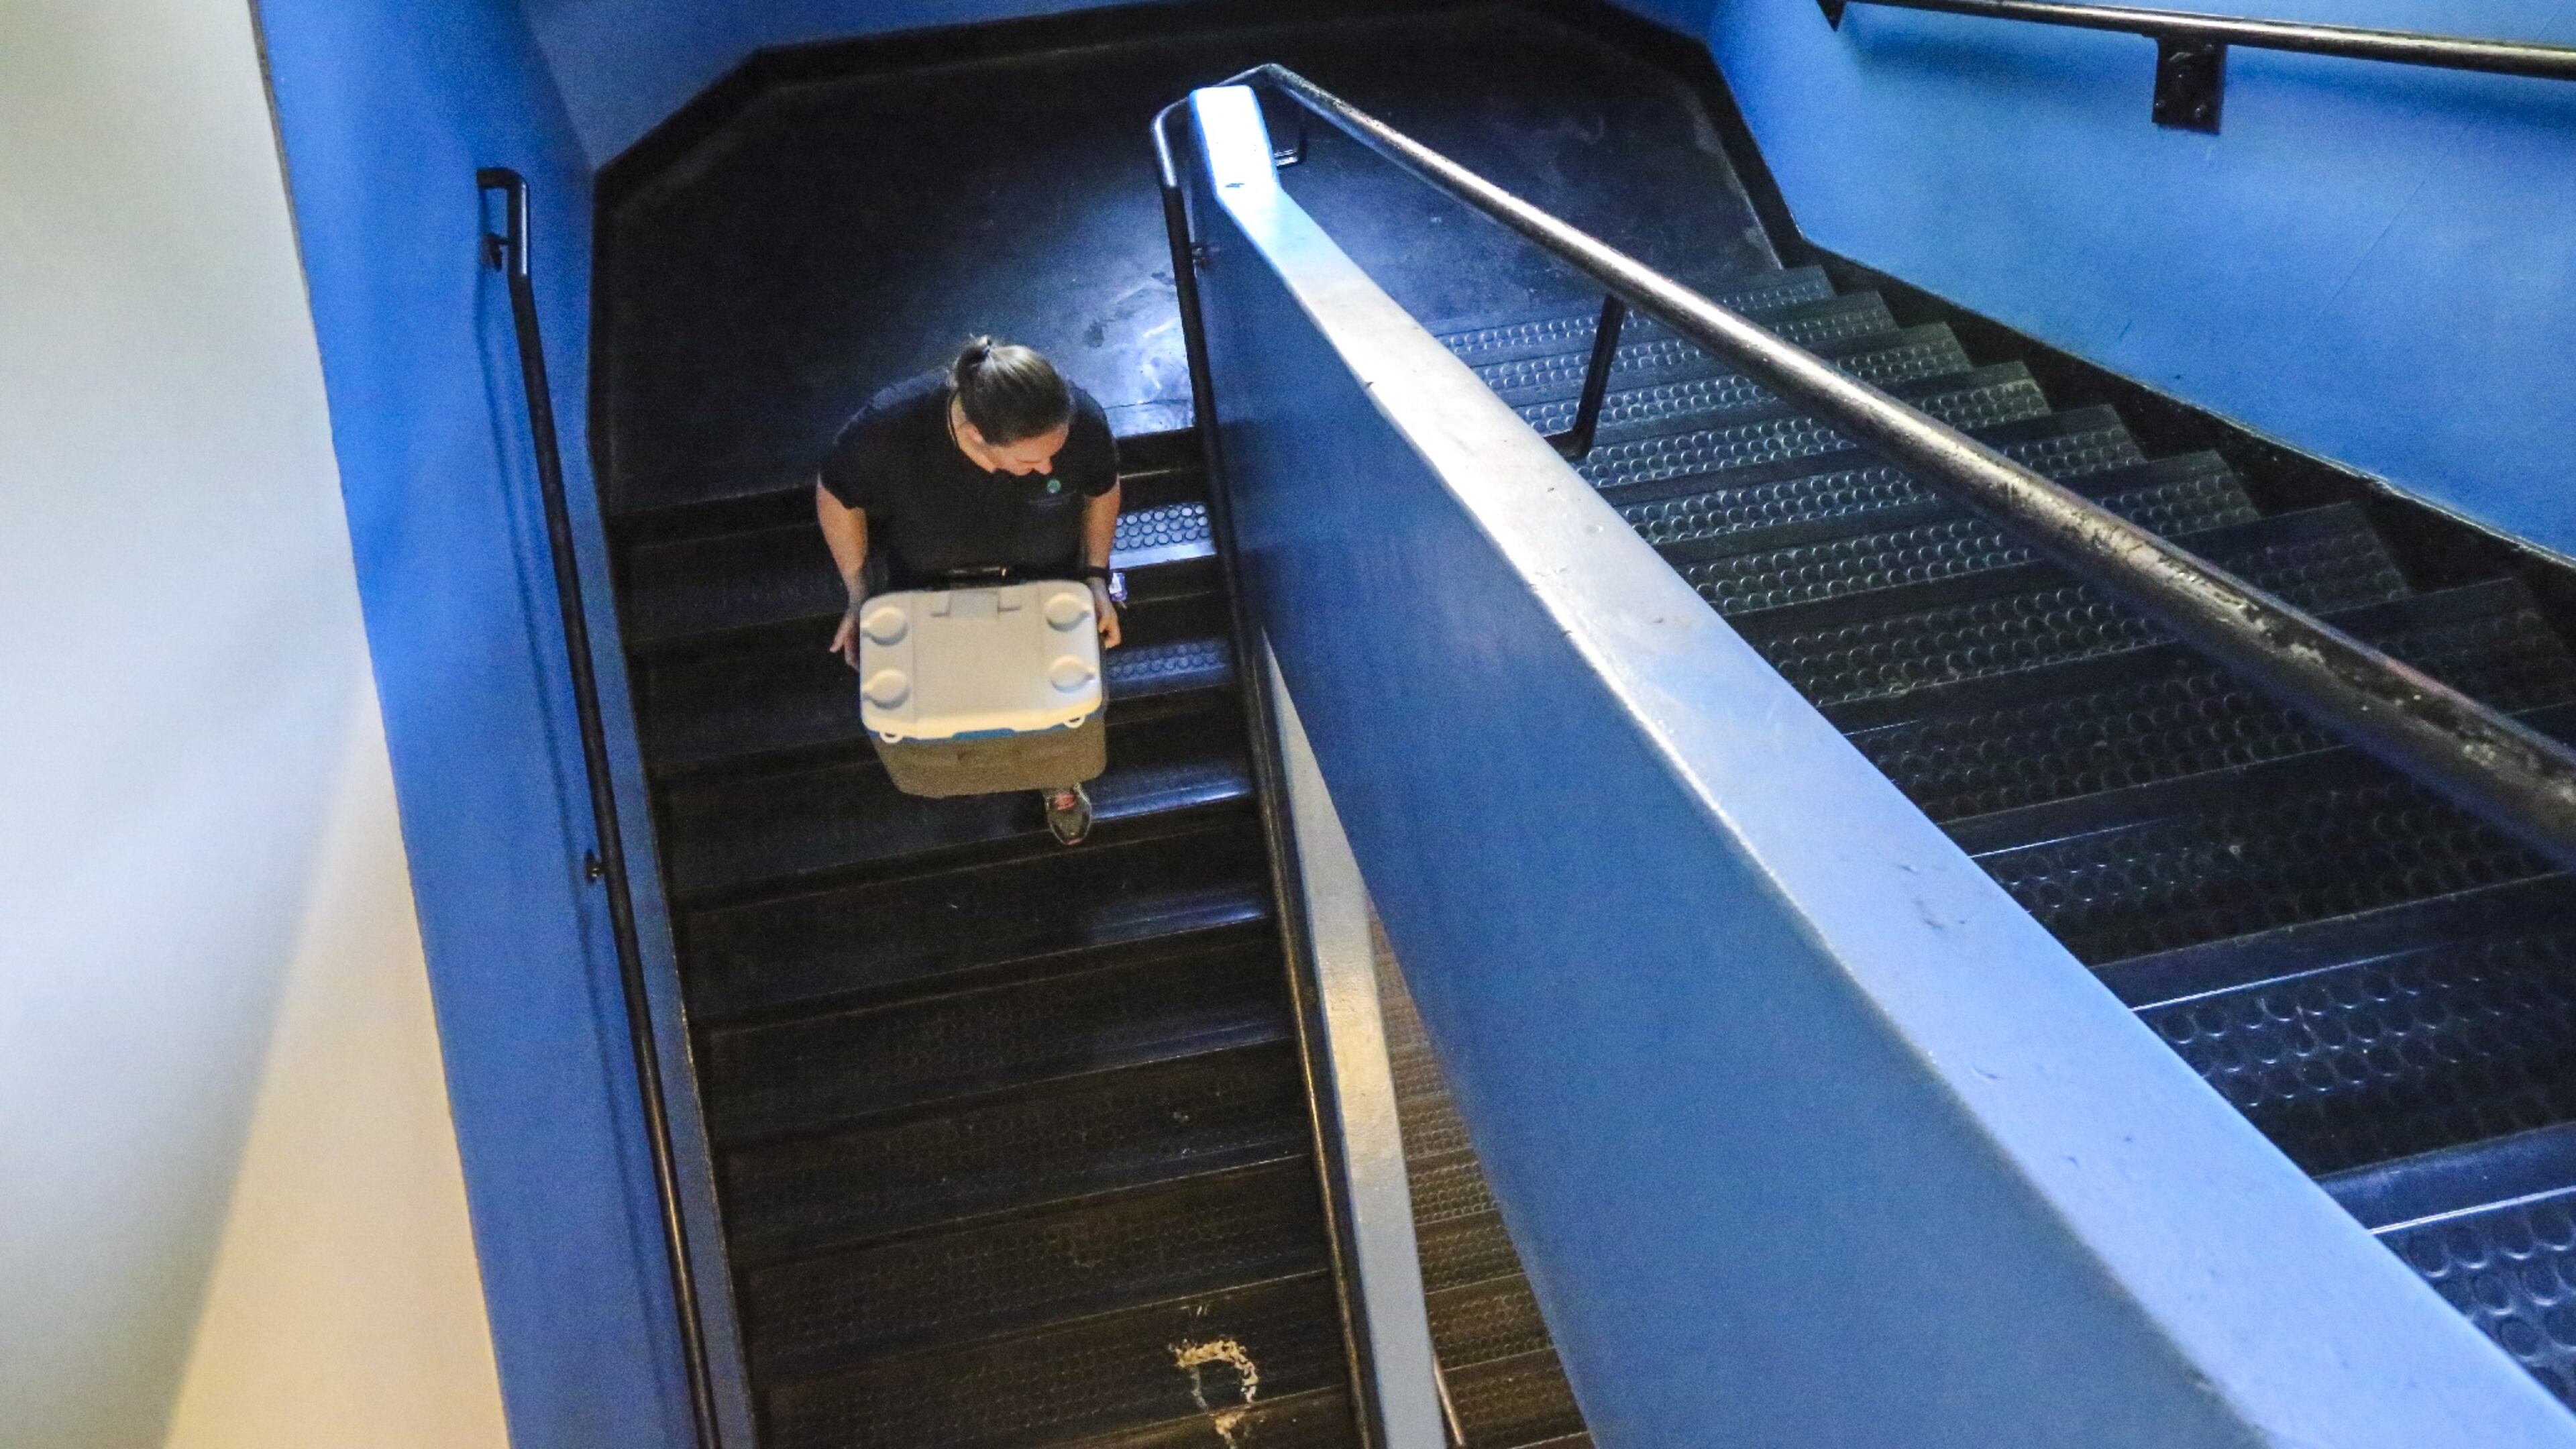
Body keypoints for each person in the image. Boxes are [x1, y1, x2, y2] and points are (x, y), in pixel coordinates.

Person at [815, 338, 1122, 845]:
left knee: (1051, 709)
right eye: (1031, 461)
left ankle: (1056, 775)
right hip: (929, 587)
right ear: (976, 435)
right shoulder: (888, 429)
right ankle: (962, 772)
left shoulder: (1079, 419)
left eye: (1055, 453)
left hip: (1045, 583)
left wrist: (1095, 575)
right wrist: (857, 594)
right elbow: (836, 495)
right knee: (958, 702)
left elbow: (1102, 487)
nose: (1049, 470)